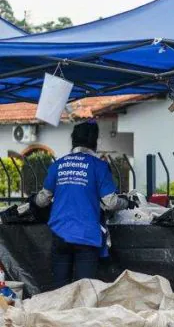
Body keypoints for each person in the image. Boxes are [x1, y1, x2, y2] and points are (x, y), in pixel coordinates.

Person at [34, 120, 136, 289]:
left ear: (73, 140)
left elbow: (42, 200)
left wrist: (33, 200)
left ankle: (59, 315)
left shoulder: (58, 164)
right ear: (94, 142)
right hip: (86, 235)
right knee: (85, 289)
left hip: (60, 233)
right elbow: (110, 203)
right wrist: (126, 202)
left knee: (60, 289)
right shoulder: (99, 166)